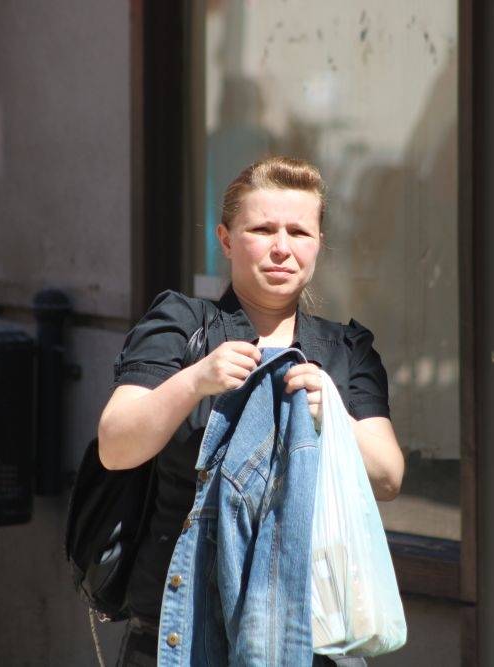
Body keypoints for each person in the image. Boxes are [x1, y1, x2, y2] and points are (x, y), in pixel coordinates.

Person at [98, 156, 404, 666]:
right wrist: (196, 380)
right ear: (225, 240)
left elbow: (389, 477)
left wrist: (333, 415)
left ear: (319, 243)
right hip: (181, 632)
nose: (282, 247)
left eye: (299, 232)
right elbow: (115, 446)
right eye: (262, 230)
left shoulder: (345, 350)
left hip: (308, 637)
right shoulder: (182, 325)